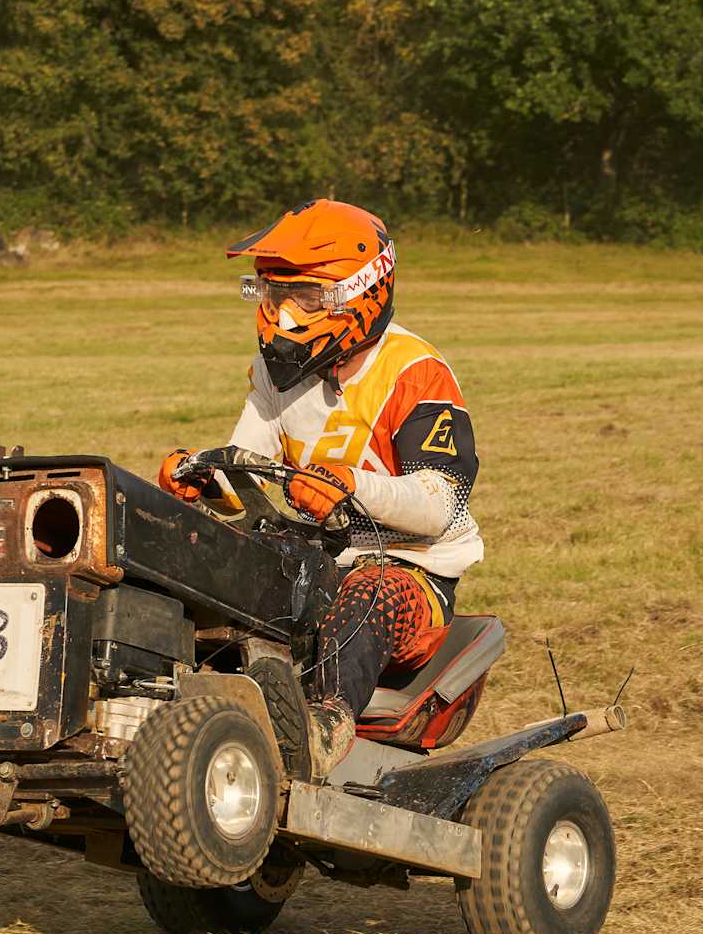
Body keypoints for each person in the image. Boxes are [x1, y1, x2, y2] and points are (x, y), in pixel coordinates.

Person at [158, 198, 482, 776]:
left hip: (412, 571)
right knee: (207, 563)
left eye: (304, 298)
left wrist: (350, 487)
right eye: (272, 295)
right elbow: (247, 471)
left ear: (362, 291)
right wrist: (203, 483)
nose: (283, 315)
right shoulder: (276, 373)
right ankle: (165, 702)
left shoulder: (415, 373)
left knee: (369, 591)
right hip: (316, 557)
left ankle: (324, 728)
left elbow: (443, 503)